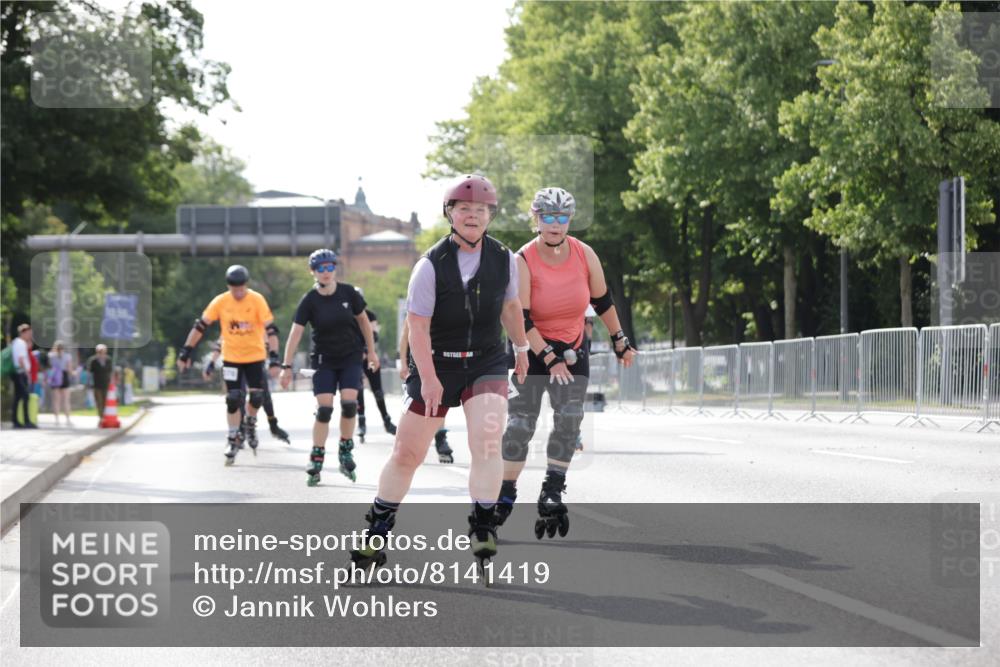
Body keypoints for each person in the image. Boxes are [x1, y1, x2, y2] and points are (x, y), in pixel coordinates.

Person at [349, 174, 529, 576]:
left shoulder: (504, 259)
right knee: (407, 452)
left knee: (487, 440)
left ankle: (483, 526)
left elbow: (510, 307)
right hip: (437, 362)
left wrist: (521, 349)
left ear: (490, 216)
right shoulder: (429, 266)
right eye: (464, 209)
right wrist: (429, 380)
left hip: (485, 360)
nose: (472, 215)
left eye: (480, 210)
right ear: (450, 213)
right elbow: (417, 327)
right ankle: (377, 532)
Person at [496, 187, 636, 540]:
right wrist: (549, 357)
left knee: (569, 421)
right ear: (536, 218)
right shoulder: (522, 260)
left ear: (570, 219)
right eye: (548, 216)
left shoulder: (584, 254)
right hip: (530, 350)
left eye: (562, 217)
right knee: (519, 427)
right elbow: (521, 318)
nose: (555, 224)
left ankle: (552, 490)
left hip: (573, 348)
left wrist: (619, 340)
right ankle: (505, 494)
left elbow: (603, 301)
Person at [279, 249, 379, 485]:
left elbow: (364, 322)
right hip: (324, 360)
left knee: (349, 404)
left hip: (350, 357)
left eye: (330, 267)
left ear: (335, 268)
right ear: (313, 272)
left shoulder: (349, 293)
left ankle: (345, 448)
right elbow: (295, 333)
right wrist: (286, 366)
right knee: (324, 409)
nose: (326, 272)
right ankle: (317, 455)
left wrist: (372, 351)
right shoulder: (309, 300)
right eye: (320, 268)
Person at [176, 264, 281, 465]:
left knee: (257, 397)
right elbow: (200, 326)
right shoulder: (221, 301)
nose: (238, 293)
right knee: (233, 399)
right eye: (234, 290)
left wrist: (275, 358)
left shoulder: (256, 300)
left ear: (246, 285)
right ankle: (233, 438)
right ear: (228, 286)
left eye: (241, 289)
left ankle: (250, 422)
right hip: (232, 357)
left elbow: (271, 329)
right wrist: (186, 351)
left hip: (255, 356)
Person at [204, 339, 290, 444]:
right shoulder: (231, 328)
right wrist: (211, 363)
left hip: (254, 362)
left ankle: (271, 425)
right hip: (235, 363)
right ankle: (240, 428)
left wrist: (273, 359)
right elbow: (221, 343)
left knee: (263, 395)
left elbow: (270, 338)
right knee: (237, 396)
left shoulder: (256, 328)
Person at [398, 318, 453, 464]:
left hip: (438, 360)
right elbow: (404, 337)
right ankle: (411, 443)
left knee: (439, 400)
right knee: (416, 406)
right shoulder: (417, 309)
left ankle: (440, 438)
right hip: (417, 362)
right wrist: (403, 364)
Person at [353, 289, 397, 442]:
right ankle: (361, 422)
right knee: (358, 390)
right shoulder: (347, 316)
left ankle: (386, 420)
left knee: (377, 390)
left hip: (369, 357)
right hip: (354, 358)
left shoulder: (370, 315)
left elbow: (374, 335)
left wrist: (366, 351)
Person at [10, 323, 36, 428]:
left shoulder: (18, 342)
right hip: (20, 372)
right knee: (25, 396)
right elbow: (21, 360)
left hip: (18, 372)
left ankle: (16, 421)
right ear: (23, 333)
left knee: (18, 397)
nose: (30, 336)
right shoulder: (20, 343)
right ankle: (26, 421)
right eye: (29, 333)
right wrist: (27, 373)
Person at [48, 340, 75, 426]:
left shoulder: (51, 356)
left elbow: (49, 367)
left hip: (55, 377)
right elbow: (69, 369)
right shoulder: (67, 356)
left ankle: (56, 419)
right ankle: (67, 419)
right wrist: (74, 373)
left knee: (56, 400)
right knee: (66, 400)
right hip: (64, 376)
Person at [86, 344, 113, 424]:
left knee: (105, 401)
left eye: (103, 351)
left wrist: (112, 381)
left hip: (106, 384)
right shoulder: (93, 361)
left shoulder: (108, 360)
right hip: (96, 384)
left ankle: (104, 416)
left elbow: (110, 371)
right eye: (100, 352)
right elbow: (89, 373)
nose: (101, 353)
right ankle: (101, 417)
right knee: (99, 401)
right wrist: (88, 383)